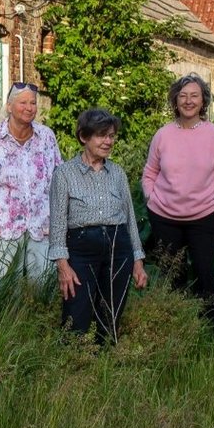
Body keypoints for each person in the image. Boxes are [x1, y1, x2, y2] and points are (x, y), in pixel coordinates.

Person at [141, 73, 214, 331]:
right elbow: (150, 173)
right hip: (164, 217)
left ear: (203, 100)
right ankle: (176, 327)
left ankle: (211, 329)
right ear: (175, 100)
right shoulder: (163, 135)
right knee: (174, 275)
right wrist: (151, 197)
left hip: (203, 216)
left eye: (194, 95)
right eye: (183, 96)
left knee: (205, 273)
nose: (188, 101)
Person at [49, 108, 148, 343]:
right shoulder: (64, 174)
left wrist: (138, 260)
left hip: (118, 246)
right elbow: (58, 224)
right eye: (102, 135)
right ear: (84, 137)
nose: (108, 141)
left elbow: (129, 219)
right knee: (77, 313)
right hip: (81, 248)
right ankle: (72, 365)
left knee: (110, 314)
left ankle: (105, 365)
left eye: (112, 136)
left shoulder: (117, 173)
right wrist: (63, 265)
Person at [0, 82, 62, 283]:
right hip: (4, 228)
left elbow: (59, 180)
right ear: (9, 106)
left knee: (42, 289)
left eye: (33, 103)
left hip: (41, 227)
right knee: (6, 293)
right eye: (23, 102)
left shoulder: (47, 137)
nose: (29, 108)